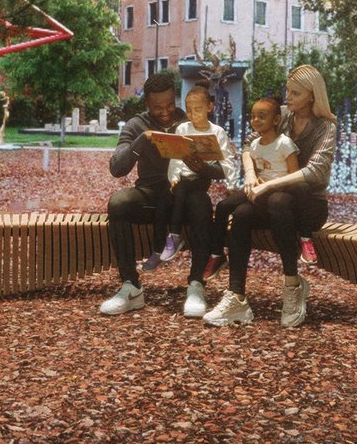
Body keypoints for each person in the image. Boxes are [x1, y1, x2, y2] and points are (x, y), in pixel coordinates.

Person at [203, 65, 337, 328]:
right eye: (288, 90)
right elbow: (247, 144)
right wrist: (252, 175)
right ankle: (237, 297)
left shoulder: (326, 127)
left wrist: (268, 186)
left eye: (295, 93)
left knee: (277, 200)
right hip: (275, 203)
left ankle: (292, 286)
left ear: (312, 95)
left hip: (309, 206)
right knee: (241, 214)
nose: (288, 96)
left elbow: (315, 172)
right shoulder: (282, 115)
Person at [98, 70, 188, 315]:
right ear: (147, 104)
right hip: (149, 196)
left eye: (170, 104)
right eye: (158, 107)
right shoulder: (136, 124)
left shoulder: (187, 122)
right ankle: (131, 285)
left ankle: (197, 286)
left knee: (200, 203)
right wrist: (142, 140)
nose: (166, 111)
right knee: (118, 202)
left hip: (182, 197)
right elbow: (117, 168)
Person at [155, 81, 238, 317]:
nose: (192, 114)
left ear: (210, 107)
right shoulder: (183, 129)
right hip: (183, 184)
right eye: (188, 110)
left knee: (197, 195)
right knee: (188, 193)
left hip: (201, 180)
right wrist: (173, 178)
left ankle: (175, 236)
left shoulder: (217, 132)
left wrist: (230, 185)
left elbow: (226, 165)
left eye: (197, 109)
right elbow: (175, 158)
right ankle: (179, 253)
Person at [201, 95, 299, 287]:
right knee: (222, 206)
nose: (256, 120)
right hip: (258, 190)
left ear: (276, 120)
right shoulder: (254, 145)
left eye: (262, 116)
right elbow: (254, 169)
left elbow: (294, 176)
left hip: (275, 193)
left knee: (242, 212)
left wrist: (273, 184)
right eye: (253, 116)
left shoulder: (284, 143)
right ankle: (217, 254)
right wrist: (254, 180)